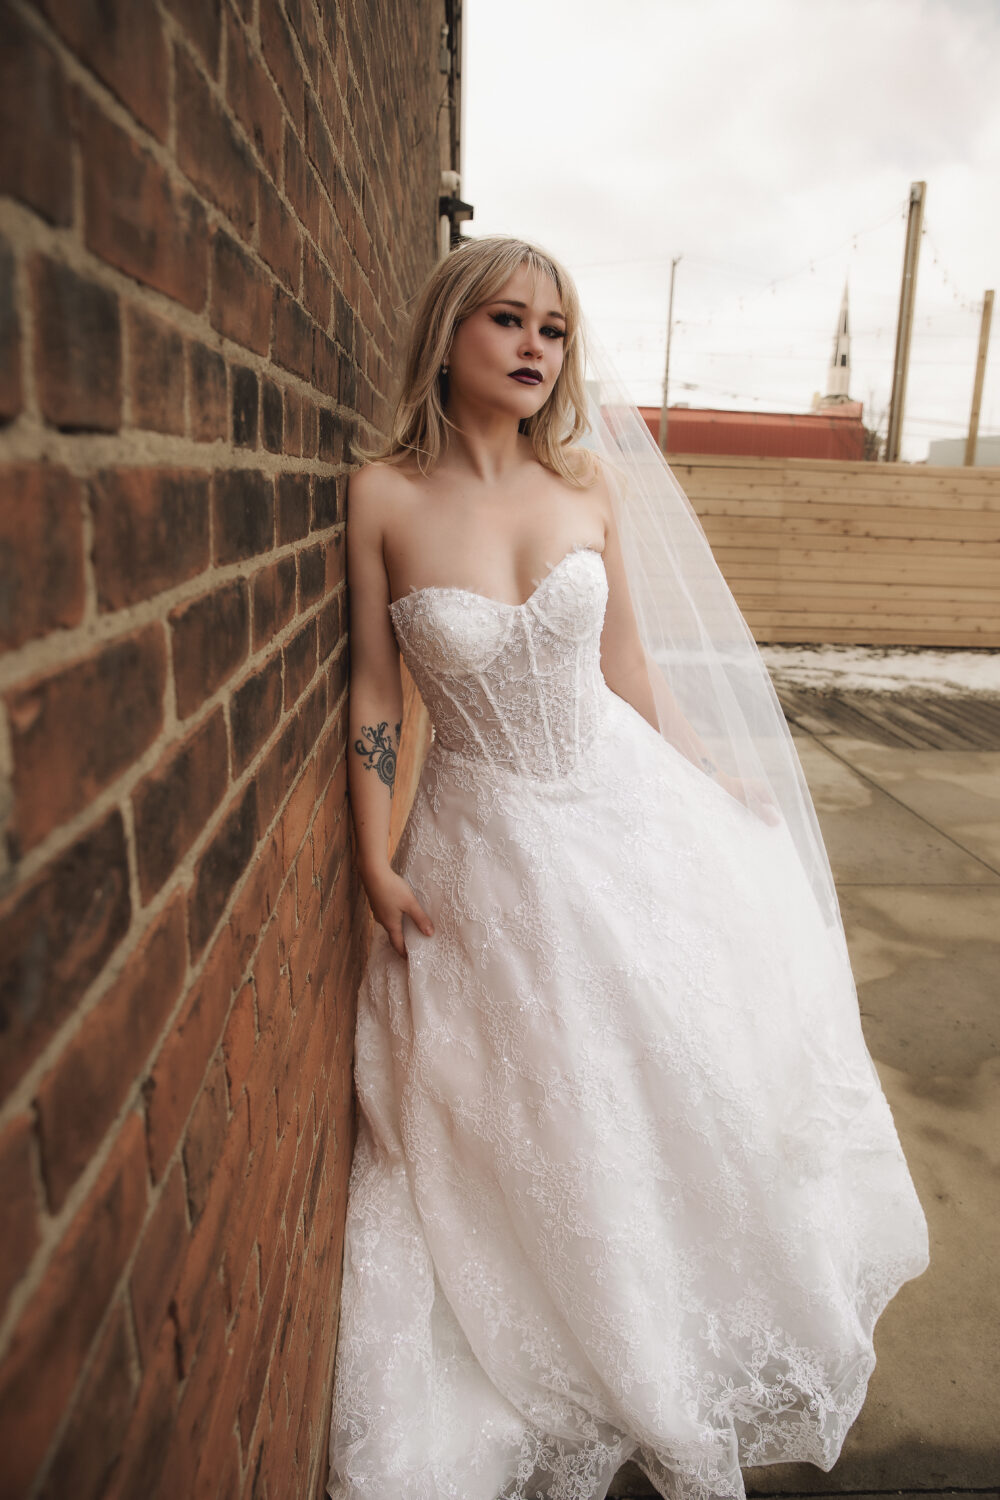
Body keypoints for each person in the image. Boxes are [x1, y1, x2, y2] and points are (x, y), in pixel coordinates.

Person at [326, 235, 928, 1500]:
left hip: (620, 806)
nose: (536, 348)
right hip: (483, 839)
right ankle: (586, 1317)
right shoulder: (380, 493)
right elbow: (378, 693)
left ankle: (682, 1302)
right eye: (507, 321)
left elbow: (631, 671)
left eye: (553, 329)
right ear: (448, 335)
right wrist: (376, 854)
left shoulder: (589, 485)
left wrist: (709, 772)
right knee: (544, 1093)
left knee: (677, 1066)